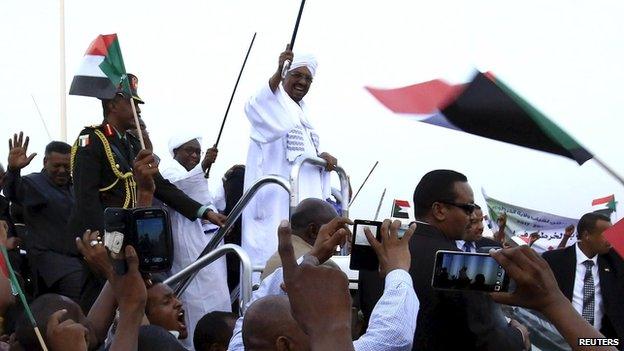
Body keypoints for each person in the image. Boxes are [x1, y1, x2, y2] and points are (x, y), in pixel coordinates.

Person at [67, 74, 226, 309]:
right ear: (112, 104)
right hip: (104, 241)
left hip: (131, 238)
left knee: (131, 302)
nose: (137, 109)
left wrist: (203, 211)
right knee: (100, 303)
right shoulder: (91, 140)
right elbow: (86, 199)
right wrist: (102, 245)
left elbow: (161, 187)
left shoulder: (132, 143)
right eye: (131, 103)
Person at [359, 170, 527, 351]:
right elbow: (490, 342)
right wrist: (519, 335)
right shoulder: (462, 265)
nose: (471, 217)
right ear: (439, 210)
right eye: (468, 208)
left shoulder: (379, 251)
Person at [229, 218, 419, 351]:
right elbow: (394, 334)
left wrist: (310, 259)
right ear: (284, 346)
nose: (320, 330)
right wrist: (398, 270)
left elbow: (249, 317)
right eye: (310, 327)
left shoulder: (241, 345)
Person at [242, 46, 338, 279]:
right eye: (297, 75)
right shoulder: (270, 103)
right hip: (274, 207)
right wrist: (277, 73)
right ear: (285, 75)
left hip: (302, 209)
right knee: (271, 274)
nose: (303, 82)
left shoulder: (304, 117)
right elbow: (254, 106)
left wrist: (321, 159)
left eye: (308, 78)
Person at [161, 133, 231, 349]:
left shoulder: (193, 174)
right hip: (185, 245)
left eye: (197, 152)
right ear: (175, 152)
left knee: (217, 296)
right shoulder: (169, 171)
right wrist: (204, 165)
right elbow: (181, 188)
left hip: (205, 244)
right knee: (193, 302)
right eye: (188, 150)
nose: (193, 155)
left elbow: (208, 198)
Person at [3, 134, 82, 301]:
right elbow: (13, 191)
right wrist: (13, 170)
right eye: (56, 165)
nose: (62, 170)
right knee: (79, 283)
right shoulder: (34, 184)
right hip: (50, 264)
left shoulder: (76, 188)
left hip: (78, 258)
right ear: (45, 162)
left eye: (66, 166)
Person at [542, 212, 624, 343]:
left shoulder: (615, 262)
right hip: (559, 341)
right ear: (586, 235)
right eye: (605, 234)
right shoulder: (554, 260)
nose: (610, 239)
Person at [261, 198, 338, 279]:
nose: (337, 243)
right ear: (313, 230)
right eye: (334, 233)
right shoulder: (323, 265)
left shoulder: (273, 259)